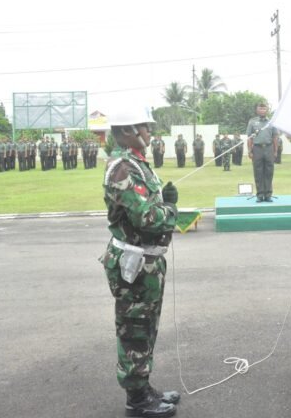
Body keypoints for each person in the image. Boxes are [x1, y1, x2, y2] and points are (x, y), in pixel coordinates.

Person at [99, 107, 181, 417]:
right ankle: (136, 400)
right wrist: (170, 208)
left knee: (146, 328)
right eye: (145, 127)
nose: (149, 132)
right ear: (129, 131)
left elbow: (146, 207)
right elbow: (148, 219)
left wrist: (163, 201)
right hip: (134, 265)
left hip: (146, 263)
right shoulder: (123, 168)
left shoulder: (137, 165)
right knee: (134, 329)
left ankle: (143, 387)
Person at [246, 102, 278, 202]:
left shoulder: (272, 122)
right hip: (257, 149)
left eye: (264, 109)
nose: (262, 110)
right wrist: (249, 150)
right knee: (258, 172)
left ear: (267, 110)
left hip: (269, 148)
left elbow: (275, 137)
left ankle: (268, 194)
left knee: (269, 172)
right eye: (260, 108)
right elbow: (249, 138)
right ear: (257, 110)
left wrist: (275, 150)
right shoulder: (252, 122)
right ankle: (260, 195)